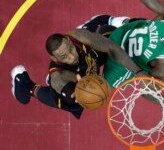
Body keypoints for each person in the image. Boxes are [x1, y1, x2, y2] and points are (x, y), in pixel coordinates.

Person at [11, 16, 145, 119]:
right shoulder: (58, 76)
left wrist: (138, 71)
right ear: (55, 59)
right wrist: (80, 90)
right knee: (73, 101)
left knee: (109, 34)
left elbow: (112, 49)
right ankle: (27, 87)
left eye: (70, 49)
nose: (71, 56)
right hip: (74, 77)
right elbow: (60, 82)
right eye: (64, 56)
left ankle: (106, 20)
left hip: (92, 57)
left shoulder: (79, 37)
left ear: (69, 40)